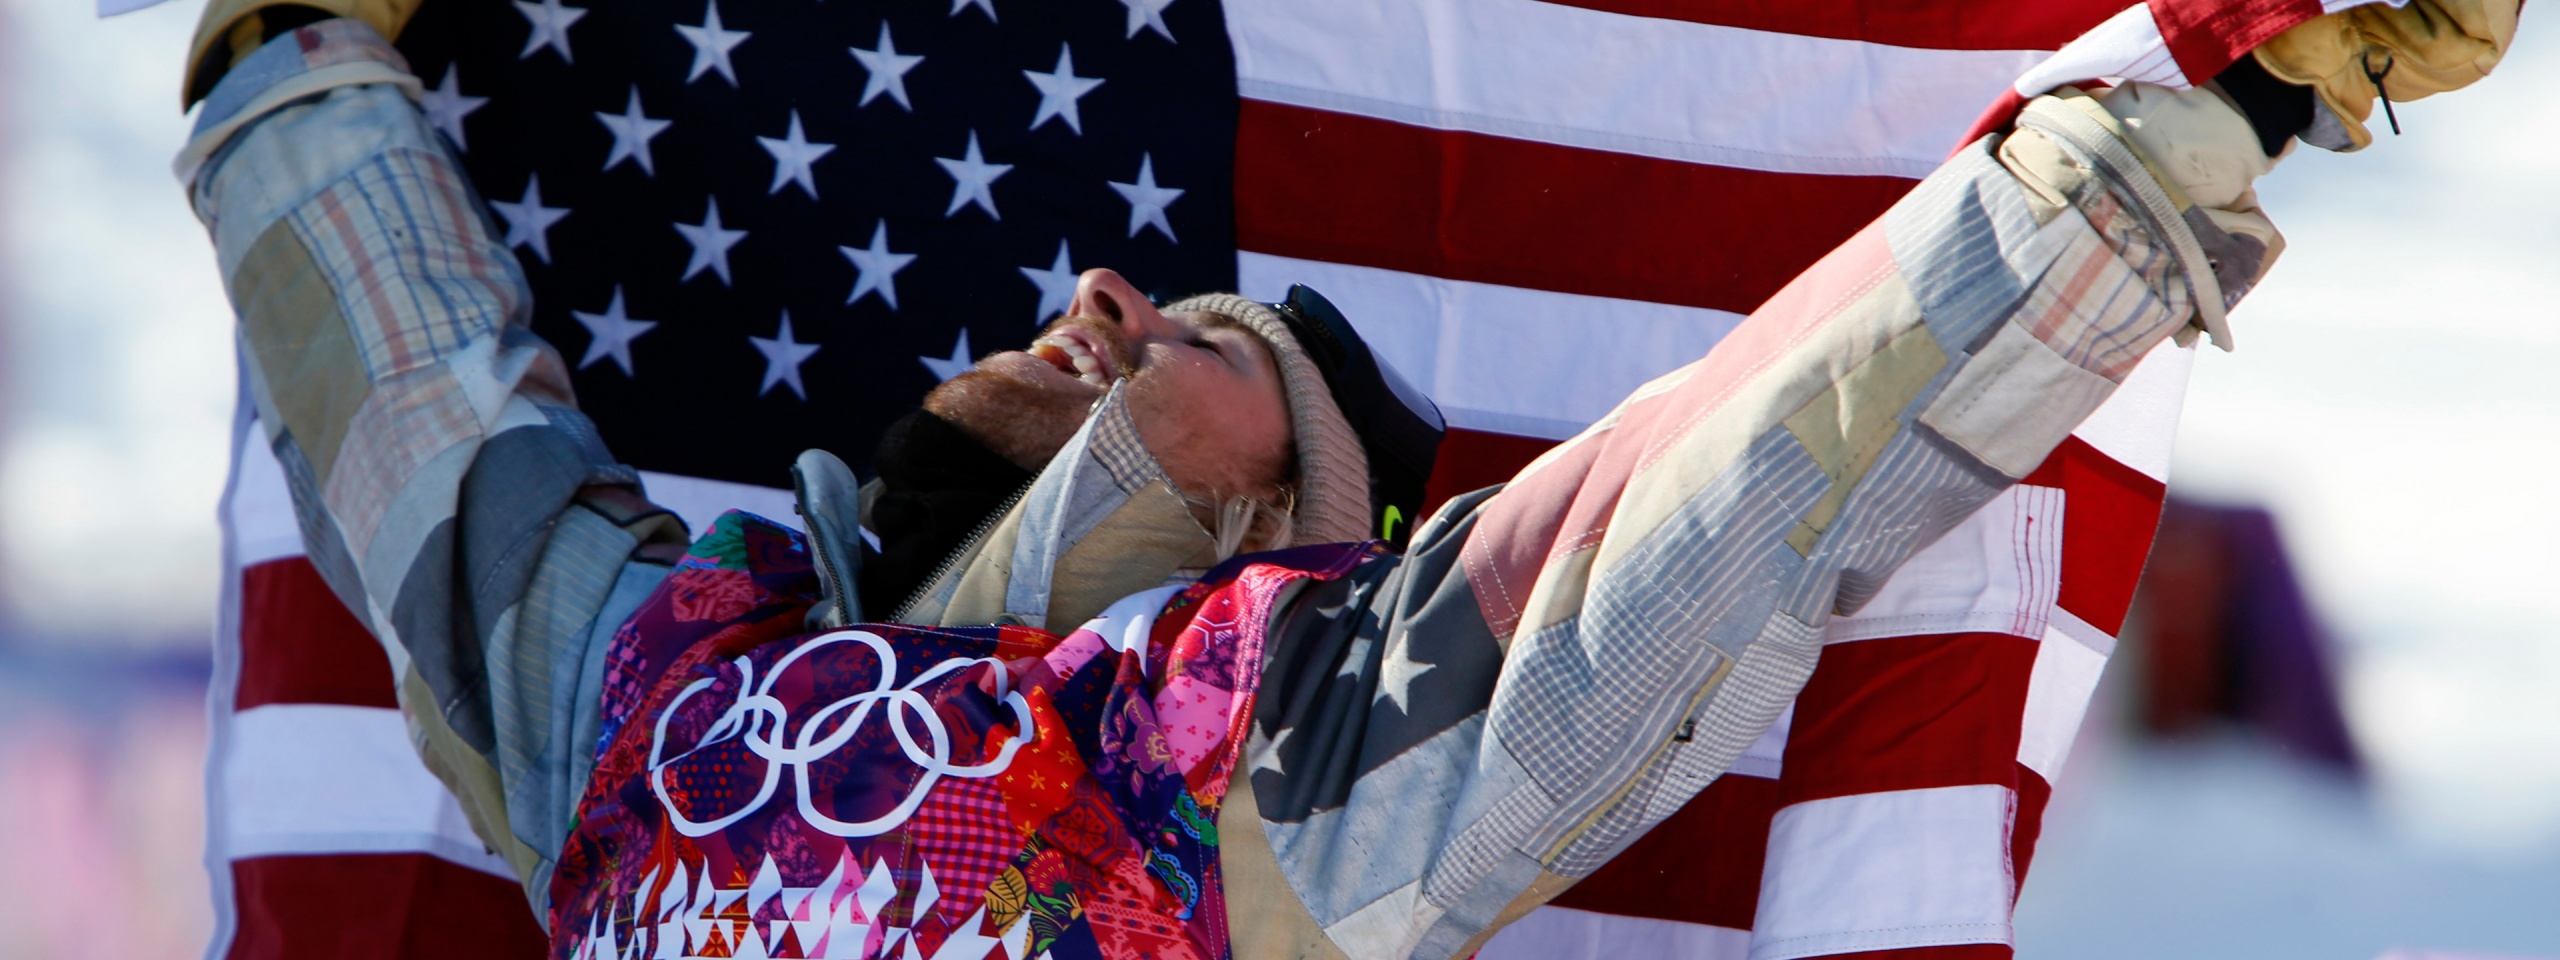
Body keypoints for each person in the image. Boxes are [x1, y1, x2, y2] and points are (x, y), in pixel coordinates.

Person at [174, 1, 2516, 957]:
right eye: (1095, 348)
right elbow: (425, 442)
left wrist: (2191, 126)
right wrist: (285, 63)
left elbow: (1705, 526)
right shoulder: (691, 715)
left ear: (1277, 560)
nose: (1102, 312)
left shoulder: (1220, 787)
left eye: (1206, 357)